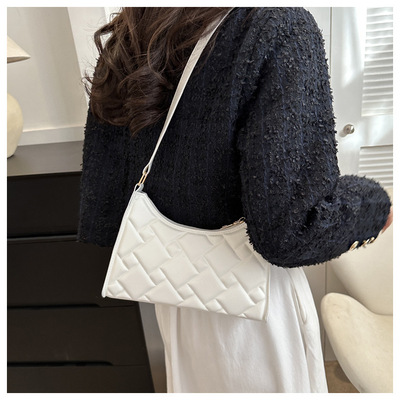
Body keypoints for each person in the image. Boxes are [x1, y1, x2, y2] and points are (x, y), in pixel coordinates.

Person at [78, 7, 393, 393]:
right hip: (256, 310)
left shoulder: (134, 30)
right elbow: (290, 231)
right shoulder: (276, 25)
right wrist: (372, 206)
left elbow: (107, 191)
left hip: (174, 290)